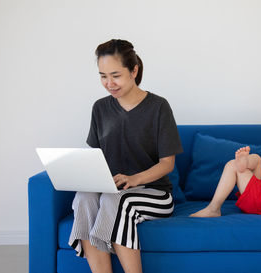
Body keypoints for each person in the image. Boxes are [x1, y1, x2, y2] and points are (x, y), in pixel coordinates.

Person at [68, 39, 183, 273]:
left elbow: (167, 164)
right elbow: (96, 155)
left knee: (115, 200)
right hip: (112, 189)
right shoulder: (100, 108)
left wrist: (134, 179)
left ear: (134, 70)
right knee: (83, 198)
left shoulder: (159, 107)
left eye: (115, 75)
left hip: (155, 194)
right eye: (103, 76)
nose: (109, 83)